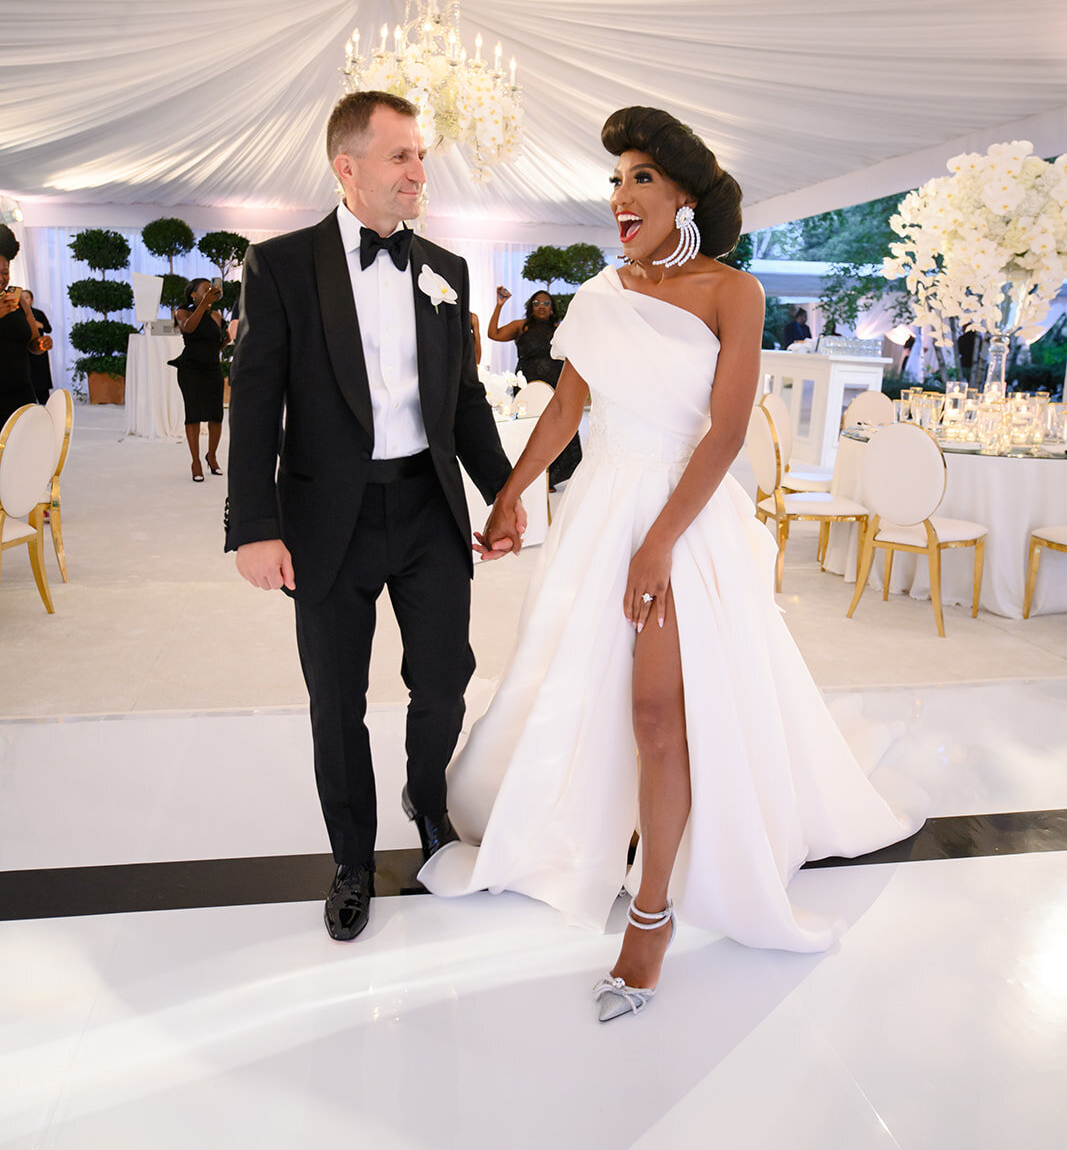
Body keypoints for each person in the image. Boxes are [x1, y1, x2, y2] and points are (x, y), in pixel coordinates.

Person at [421, 106, 923, 1021]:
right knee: (589, 689)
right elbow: (567, 409)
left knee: (660, 710)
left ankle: (649, 914)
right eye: (614, 180)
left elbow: (727, 431)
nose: (619, 196)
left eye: (640, 177)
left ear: (685, 194)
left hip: (682, 520)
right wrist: (510, 492)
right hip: (598, 511)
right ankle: (609, 837)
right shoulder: (599, 293)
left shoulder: (733, 291)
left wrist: (657, 545)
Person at [225, 90, 519, 943]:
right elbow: (254, 402)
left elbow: (462, 402)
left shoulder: (446, 269)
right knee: (336, 701)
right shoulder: (280, 265)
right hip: (325, 520)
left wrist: (500, 494)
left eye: (422, 155)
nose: (418, 172)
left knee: (441, 681)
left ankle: (427, 806)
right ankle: (352, 857)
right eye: (400, 156)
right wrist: (253, 525)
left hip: (426, 510)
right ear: (346, 167)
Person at [489, 286, 582, 488]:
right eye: (537, 303)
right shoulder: (521, 327)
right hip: (527, 387)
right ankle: (530, 477)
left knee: (556, 428)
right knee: (530, 429)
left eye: (546, 303)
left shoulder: (560, 328)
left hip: (555, 385)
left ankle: (550, 477)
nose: (541, 307)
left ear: (552, 308)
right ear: (531, 307)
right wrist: (499, 305)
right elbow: (494, 334)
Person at [170, 278, 227, 481]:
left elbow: (214, 346)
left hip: (212, 369)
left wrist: (226, 341)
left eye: (210, 289)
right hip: (190, 369)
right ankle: (196, 462)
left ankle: (211, 456)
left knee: (216, 415)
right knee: (193, 415)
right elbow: (189, 329)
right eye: (204, 289)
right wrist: (203, 305)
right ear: (193, 295)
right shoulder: (182, 313)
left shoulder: (216, 316)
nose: (209, 291)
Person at [0, 228, 52, 426]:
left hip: (21, 391)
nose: (2, 278)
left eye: (5, 272)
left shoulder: (19, 300)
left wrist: (41, 344)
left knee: (23, 449)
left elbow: (32, 343)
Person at [25, 291, 53, 403]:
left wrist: (37, 324)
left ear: (32, 300)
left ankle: (44, 401)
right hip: (25, 351)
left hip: (39, 348)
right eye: (21, 298)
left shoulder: (38, 313)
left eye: (26, 297)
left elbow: (48, 329)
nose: (24, 300)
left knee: (41, 376)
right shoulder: (17, 314)